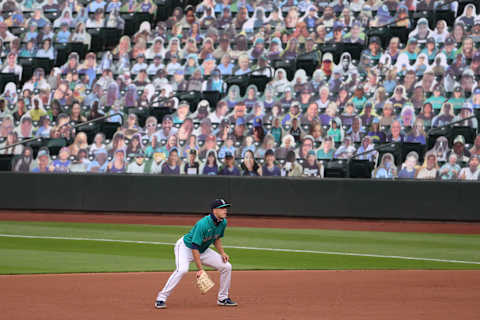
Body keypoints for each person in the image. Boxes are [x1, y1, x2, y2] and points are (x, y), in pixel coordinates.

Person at [155, 199, 237, 309]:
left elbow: (216, 238)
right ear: (214, 210)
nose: (225, 210)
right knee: (182, 270)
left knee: (227, 267)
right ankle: (161, 298)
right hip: (185, 248)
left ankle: (223, 298)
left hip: (202, 250)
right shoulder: (203, 224)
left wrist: (222, 252)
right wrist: (200, 269)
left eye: (226, 208)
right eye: (222, 208)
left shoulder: (223, 222)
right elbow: (194, 247)